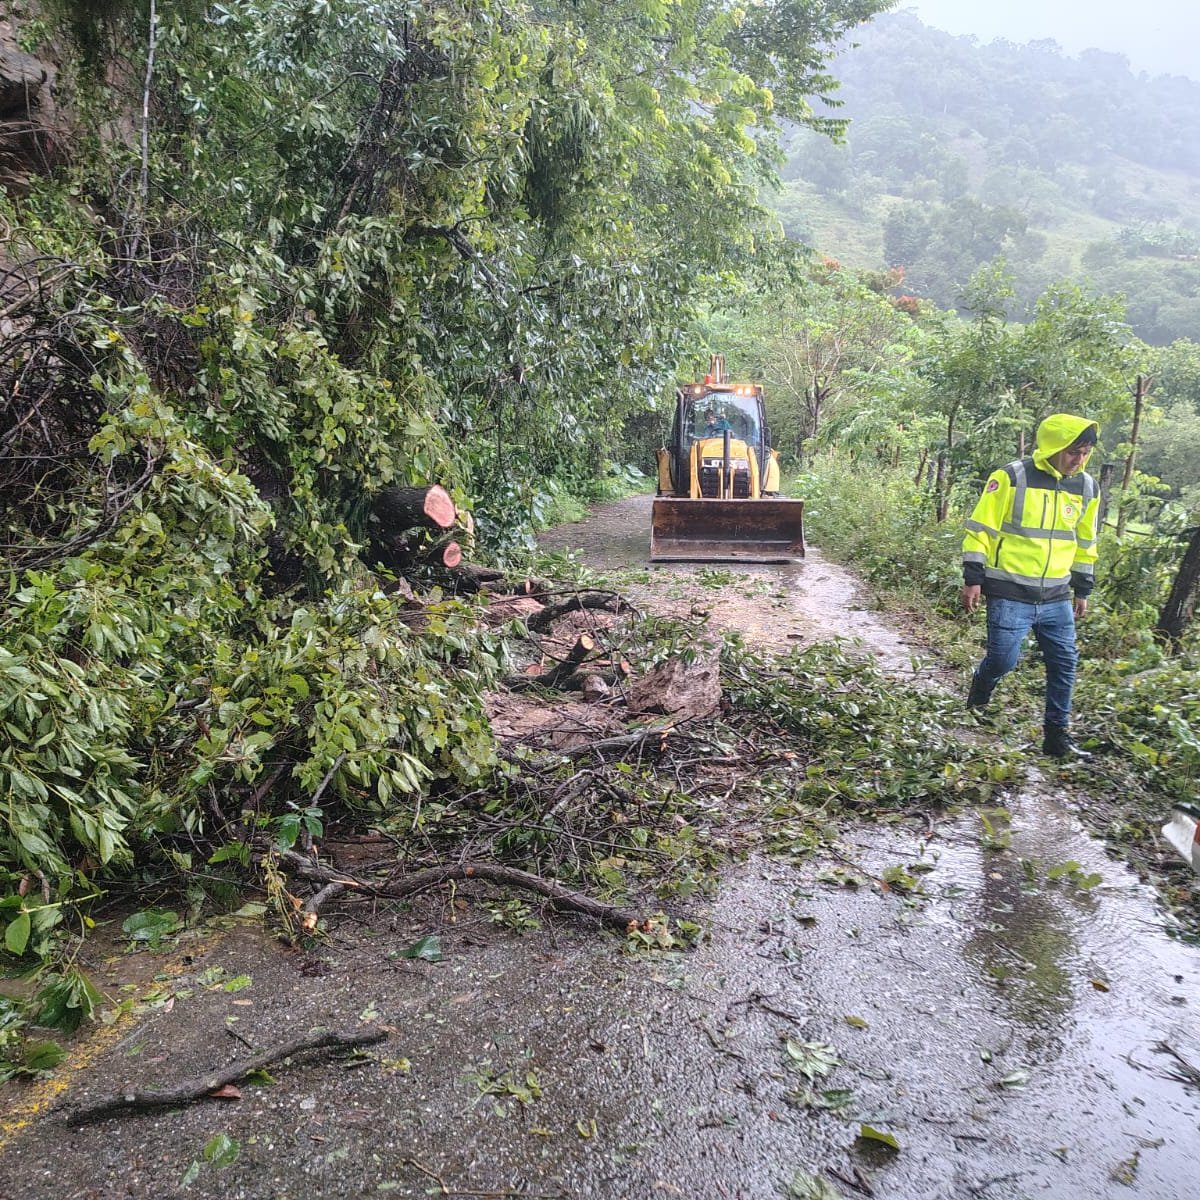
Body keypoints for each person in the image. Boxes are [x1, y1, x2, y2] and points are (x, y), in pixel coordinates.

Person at [961, 413, 1100, 759]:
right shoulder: (1011, 477)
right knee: (1003, 660)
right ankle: (981, 688)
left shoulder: (1086, 487)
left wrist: (1082, 588)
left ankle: (1056, 737)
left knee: (1065, 663)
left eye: (1084, 453)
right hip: (1010, 592)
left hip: (1057, 596)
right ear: (1054, 447)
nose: (1078, 460)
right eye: (1073, 452)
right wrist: (973, 579)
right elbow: (981, 529)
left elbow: (1085, 541)